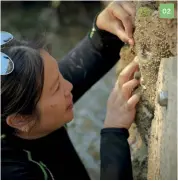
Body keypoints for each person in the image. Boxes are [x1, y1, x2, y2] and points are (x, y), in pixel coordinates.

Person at [1, 1, 140, 180]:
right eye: (57, 87)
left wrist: (103, 30)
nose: (70, 86)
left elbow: (87, 58)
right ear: (20, 119)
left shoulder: (24, 102)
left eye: (59, 74)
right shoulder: (15, 174)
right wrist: (113, 133)